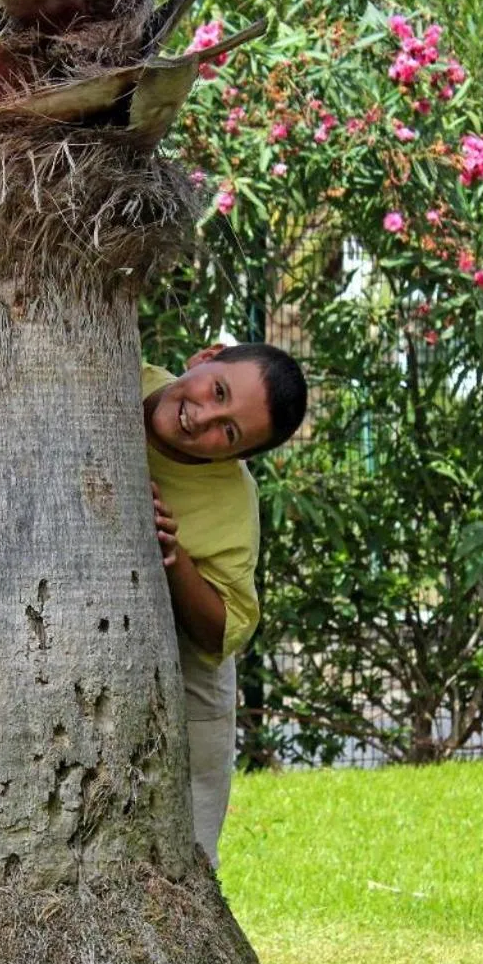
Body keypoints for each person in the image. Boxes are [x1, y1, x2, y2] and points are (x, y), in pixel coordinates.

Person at [142, 341, 308, 868]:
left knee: (189, 848)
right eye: (217, 390)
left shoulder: (234, 505)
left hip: (194, 680)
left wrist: (176, 557)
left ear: (237, 456)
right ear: (205, 357)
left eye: (229, 432)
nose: (204, 417)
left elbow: (227, 631)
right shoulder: (122, 375)